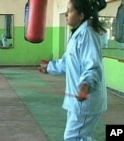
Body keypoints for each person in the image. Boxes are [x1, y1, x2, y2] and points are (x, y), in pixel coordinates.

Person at [42, 0, 107, 140]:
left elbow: (93, 66)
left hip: (85, 99)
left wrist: (86, 85)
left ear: (81, 15)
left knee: (73, 137)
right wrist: (49, 67)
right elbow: (67, 63)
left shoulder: (87, 34)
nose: (66, 14)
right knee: (79, 137)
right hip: (78, 100)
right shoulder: (77, 34)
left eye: (70, 11)